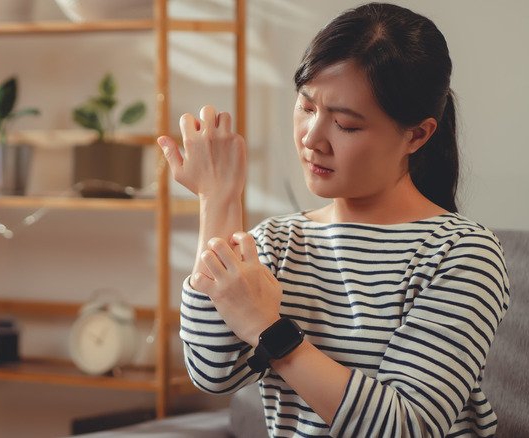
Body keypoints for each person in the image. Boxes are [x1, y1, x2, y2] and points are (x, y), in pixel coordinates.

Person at [156, 3, 510, 437]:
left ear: (417, 135)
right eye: (306, 108)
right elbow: (214, 373)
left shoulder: (461, 253)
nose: (312, 138)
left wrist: (270, 330)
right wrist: (218, 198)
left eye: (345, 124)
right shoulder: (278, 242)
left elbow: (407, 428)